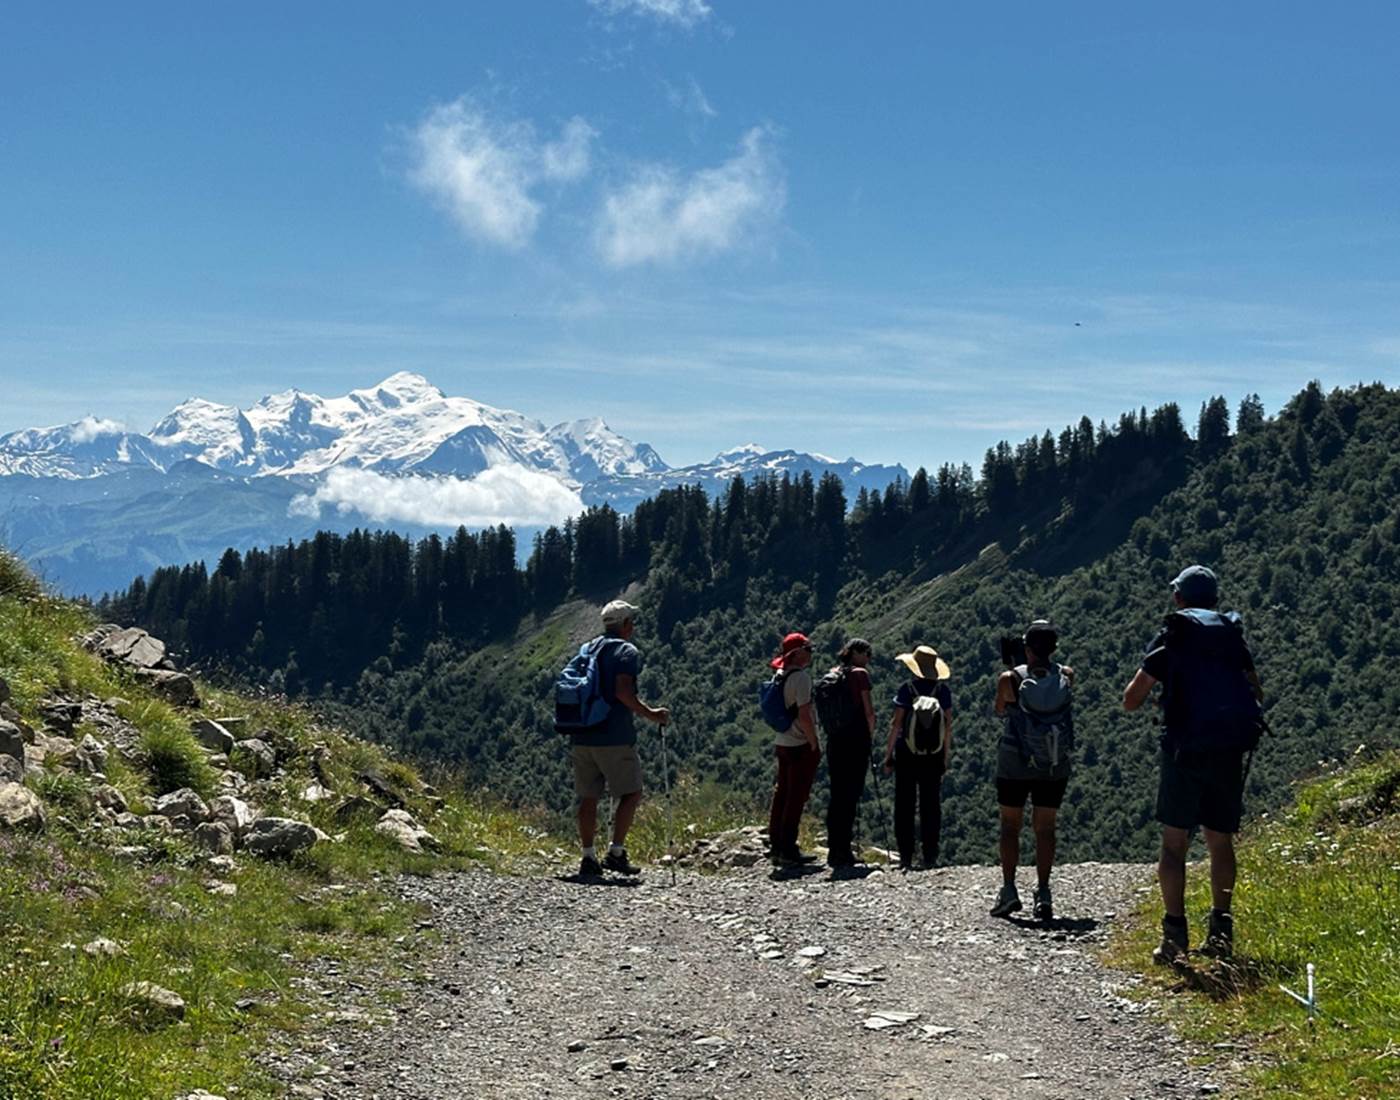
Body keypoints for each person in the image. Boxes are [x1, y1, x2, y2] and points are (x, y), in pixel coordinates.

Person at [1123, 565, 1263, 963]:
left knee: (1174, 843)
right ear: (1215, 599)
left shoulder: (1174, 635)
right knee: (1220, 843)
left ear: (1178, 598)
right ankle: (1221, 934)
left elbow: (1132, 698)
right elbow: (1256, 691)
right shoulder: (1231, 636)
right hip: (1227, 750)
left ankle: (1174, 938)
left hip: (1183, 751)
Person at [573, 599, 670, 879]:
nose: (634, 626)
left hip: (582, 733)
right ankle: (616, 853)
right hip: (613, 735)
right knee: (631, 792)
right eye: (632, 621)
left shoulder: (588, 648)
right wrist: (652, 714)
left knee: (588, 796)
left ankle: (588, 857)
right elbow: (623, 692)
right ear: (626, 624)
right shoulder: (626, 651)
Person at [991, 621, 1075, 921]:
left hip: (1015, 759)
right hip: (1053, 761)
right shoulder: (1067, 676)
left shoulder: (1009, 678)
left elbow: (1000, 710)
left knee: (1010, 825)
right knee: (1045, 828)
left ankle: (1010, 889)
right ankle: (1044, 892)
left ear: (1026, 649)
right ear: (1053, 649)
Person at [882, 645, 952, 872]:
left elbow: (896, 724)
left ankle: (905, 856)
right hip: (933, 755)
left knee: (904, 804)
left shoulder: (906, 689)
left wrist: (888, 754)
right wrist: (944, 757)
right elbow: (948, 727)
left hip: (906, 754)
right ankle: (930, 855)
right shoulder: (943, 691)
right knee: (931, 805)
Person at [766, 632, 822, 867]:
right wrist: (814, 743)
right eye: (808, 650)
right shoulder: (801, 679)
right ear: (797, 653)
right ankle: (789, 849)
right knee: (796, 797)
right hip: (800, 743)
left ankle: (777, 844)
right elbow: (805, 715)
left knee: (782, 794)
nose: (811, 654)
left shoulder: (779, 674)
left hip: (782, 741)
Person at [821, 638, 877, 868]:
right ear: (857, 653)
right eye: (867, 654)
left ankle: (835, 849)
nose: (869, 659)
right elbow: (868, 711)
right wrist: (870, 735)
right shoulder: (859, 675)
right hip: (855, 741)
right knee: (851, 795)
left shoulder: (832, 674)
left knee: (837, 795)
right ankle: (844, 852)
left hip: (835, 740)